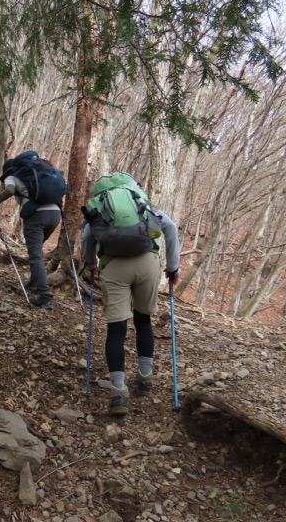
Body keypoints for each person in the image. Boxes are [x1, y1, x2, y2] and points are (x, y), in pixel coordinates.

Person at [81, 178, 180, 416]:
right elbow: (170, 227)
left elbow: (87, 237)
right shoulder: (141, 203)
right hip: (148, 263)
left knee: (116, 330)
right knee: (143, 320)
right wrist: (173, 268)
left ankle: (118, 392)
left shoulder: (100, 206)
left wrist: (89, 261)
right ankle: (145, 377)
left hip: (114, 266)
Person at [0, 158, 62, 309]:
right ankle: (34, 282)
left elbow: (9, 190)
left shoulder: (12, 176)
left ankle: (45, 296)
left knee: (36, 254)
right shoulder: (38, 173)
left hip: (36, 215)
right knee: (37, 250)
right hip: (55, 213)